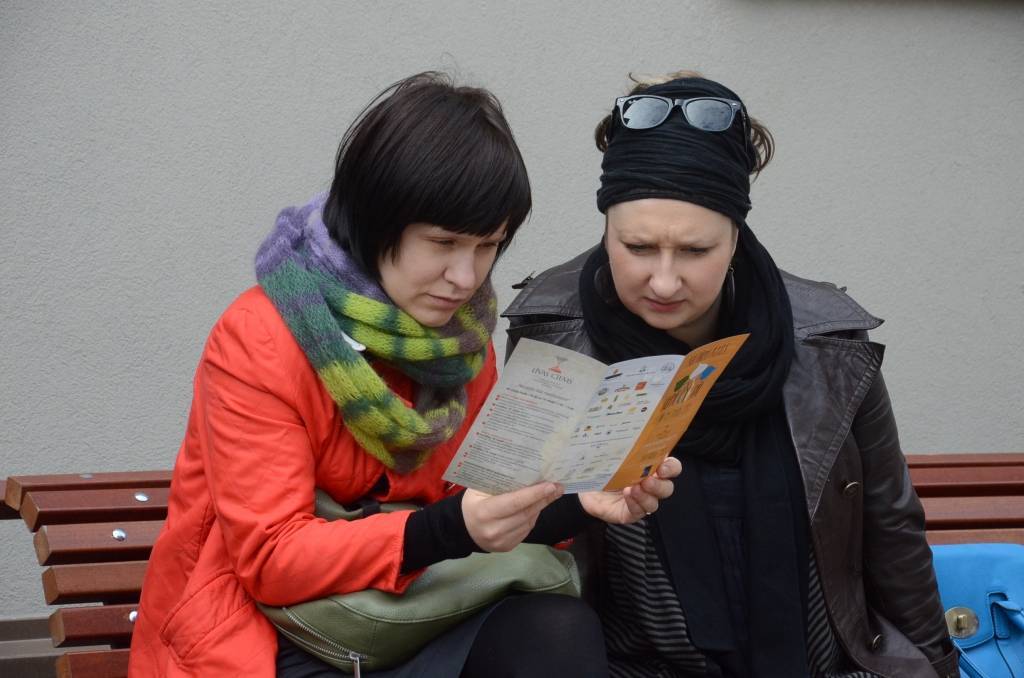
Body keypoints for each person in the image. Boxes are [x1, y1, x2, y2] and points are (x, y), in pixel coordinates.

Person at [127, 72, 680, 678]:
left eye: (488, 246)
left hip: (413, 611)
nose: (466, 278)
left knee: (556, 634)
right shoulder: (260, 336)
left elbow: (473, 503)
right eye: (443, 243)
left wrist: (579, 501)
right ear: (375, 220)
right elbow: (273, 559)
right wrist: (448, 529)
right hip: (272, 630)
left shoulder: (461, 339)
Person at [503, 71, 959, 678]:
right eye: (638, 248)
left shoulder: (827, 341)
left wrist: (937, 667)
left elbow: (891, 525)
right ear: (605, 230)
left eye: (696, 251)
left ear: (736, 237)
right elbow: (518, 529)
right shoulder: (552, 337)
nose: (665, 281)